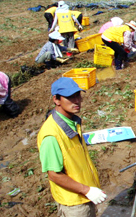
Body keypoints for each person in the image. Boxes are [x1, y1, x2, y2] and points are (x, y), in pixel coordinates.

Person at [37, 77, 107, 216]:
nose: (77, 101)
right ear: (56, 100)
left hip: (83, 195)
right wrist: (86, 190)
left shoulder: (71, 122)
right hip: (75, 204)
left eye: (78, 95)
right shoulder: (51, 135)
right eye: (70, 97)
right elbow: (54, 175)